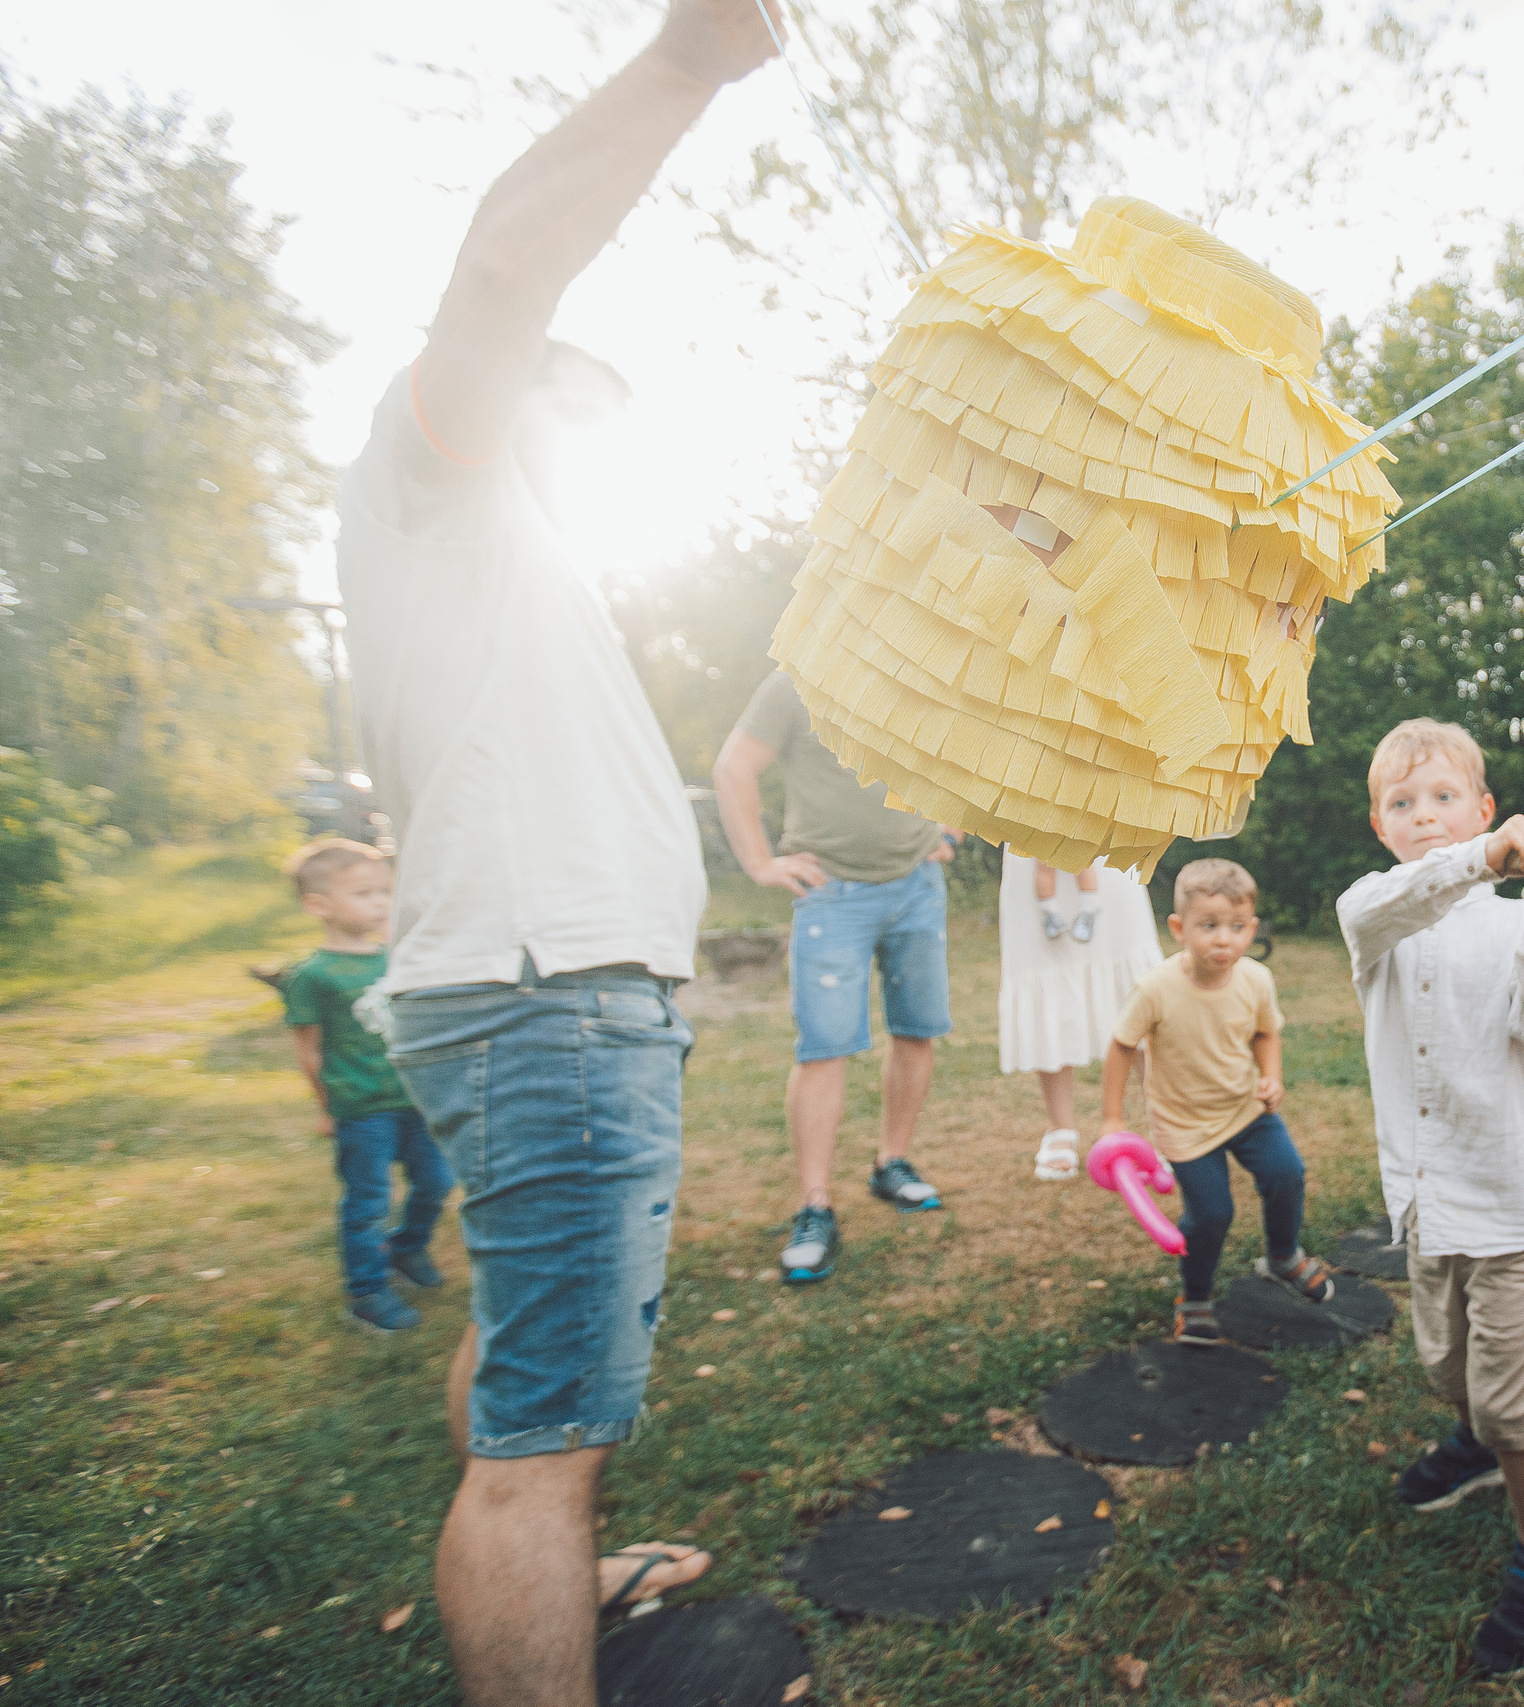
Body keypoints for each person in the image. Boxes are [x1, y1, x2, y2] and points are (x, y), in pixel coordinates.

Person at [336, 5, 777, 1699]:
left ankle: (559, 1552)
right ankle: (538, 1546)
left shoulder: (496, 556)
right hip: (542, 1006)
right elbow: (505, 269)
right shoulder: (429, 466)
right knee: (537, 1446)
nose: (570, 416)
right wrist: (689, 62)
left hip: (542, 997)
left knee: (524, 1360)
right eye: (559, 395)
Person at [1336, 717, 1524, 1681]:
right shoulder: (1374, 910)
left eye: (1445, 797)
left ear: (1486, 807)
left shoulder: (1513, 915)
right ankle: (1474, 1438)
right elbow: (1392, 908)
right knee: (1452, 1365)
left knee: (1523, 1408)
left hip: (1521, 1205)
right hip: (1430, 1205)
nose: (1424, 815)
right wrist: (1478, 857)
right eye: (1403, 803)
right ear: (1380, 825)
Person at [713, 668, 956, 1285]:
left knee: (917, 1032)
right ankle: (814, 1206)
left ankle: (892, 1162)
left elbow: (964, 753)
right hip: (832, 891)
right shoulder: (797, 679)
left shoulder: (932, 667)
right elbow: (734, 767)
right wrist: (760, 862)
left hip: (918, 885)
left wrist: (947, 824)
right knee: (825, 1049)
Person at [1101, 857, 1333, 1342]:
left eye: (1235, 927)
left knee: (1286, 1173)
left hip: (1245, 1109)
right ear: (1179, 928)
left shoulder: (1255, 980)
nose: (1223, 939)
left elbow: (1267, 1032)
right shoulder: (1156, 989)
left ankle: (1283, 1255)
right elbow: (1122, 1047)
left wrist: (1272, 1077)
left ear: (1251, 929)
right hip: (1184, 1125)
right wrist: (1112, 1118)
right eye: (1208, 926)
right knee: (1211, 1214)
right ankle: (1196, 1295)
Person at [280, 839, 453, 1335]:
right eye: (364, 893)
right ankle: (367, 1291)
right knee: (368, 1199)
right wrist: (325, 1108)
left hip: (415, 1100)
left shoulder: (395, 959)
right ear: (319, 905)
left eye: (384, 892)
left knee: (437, 1182)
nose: (380, 903)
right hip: (361, 1108)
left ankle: (406, 1248)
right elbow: (309, 1052)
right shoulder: (313, 976)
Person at [997, 850, 1161, 1180]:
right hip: (1029, 843)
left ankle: (1165, 1124)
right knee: (1046, 971)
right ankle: (1061, 1128)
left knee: (1135, 984)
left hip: (1105, 843)